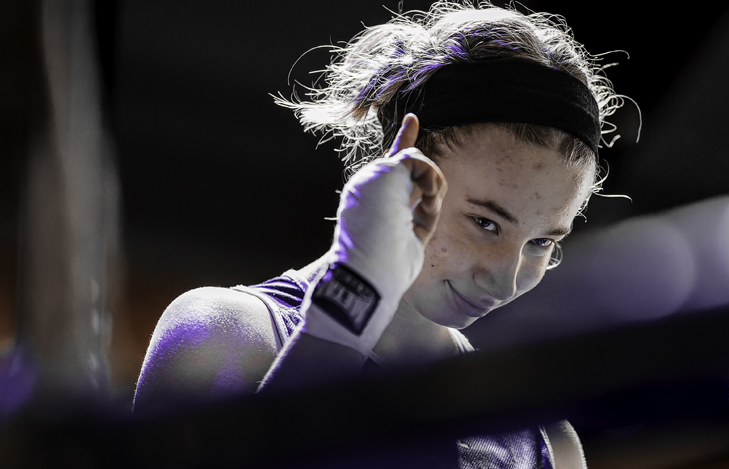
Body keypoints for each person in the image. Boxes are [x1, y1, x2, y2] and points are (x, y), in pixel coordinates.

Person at [132, 2, 625, 467]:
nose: (505, 279)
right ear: (398, 175)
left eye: (542, 242)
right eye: (485, 223)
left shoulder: (546, 441)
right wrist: (354, 297)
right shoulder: (225, 334)